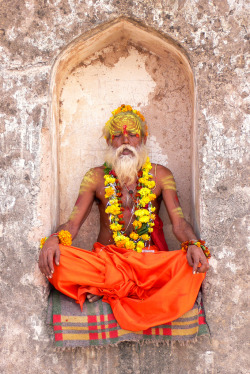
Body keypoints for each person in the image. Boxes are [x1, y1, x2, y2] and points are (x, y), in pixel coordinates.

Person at [38, 104, 210, 332]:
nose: (125, 140)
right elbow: (72, 224)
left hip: (148, 263)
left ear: (143, 138)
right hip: (106, 262)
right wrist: (52, 240)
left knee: (190, 266)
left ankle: (108, 289)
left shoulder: (161, 176)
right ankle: (123, 287)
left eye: (132, 134)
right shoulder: (95, 177)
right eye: (117, 135)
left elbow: (179, 224)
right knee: (58, 262)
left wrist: (194, 244)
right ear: (109, 141)